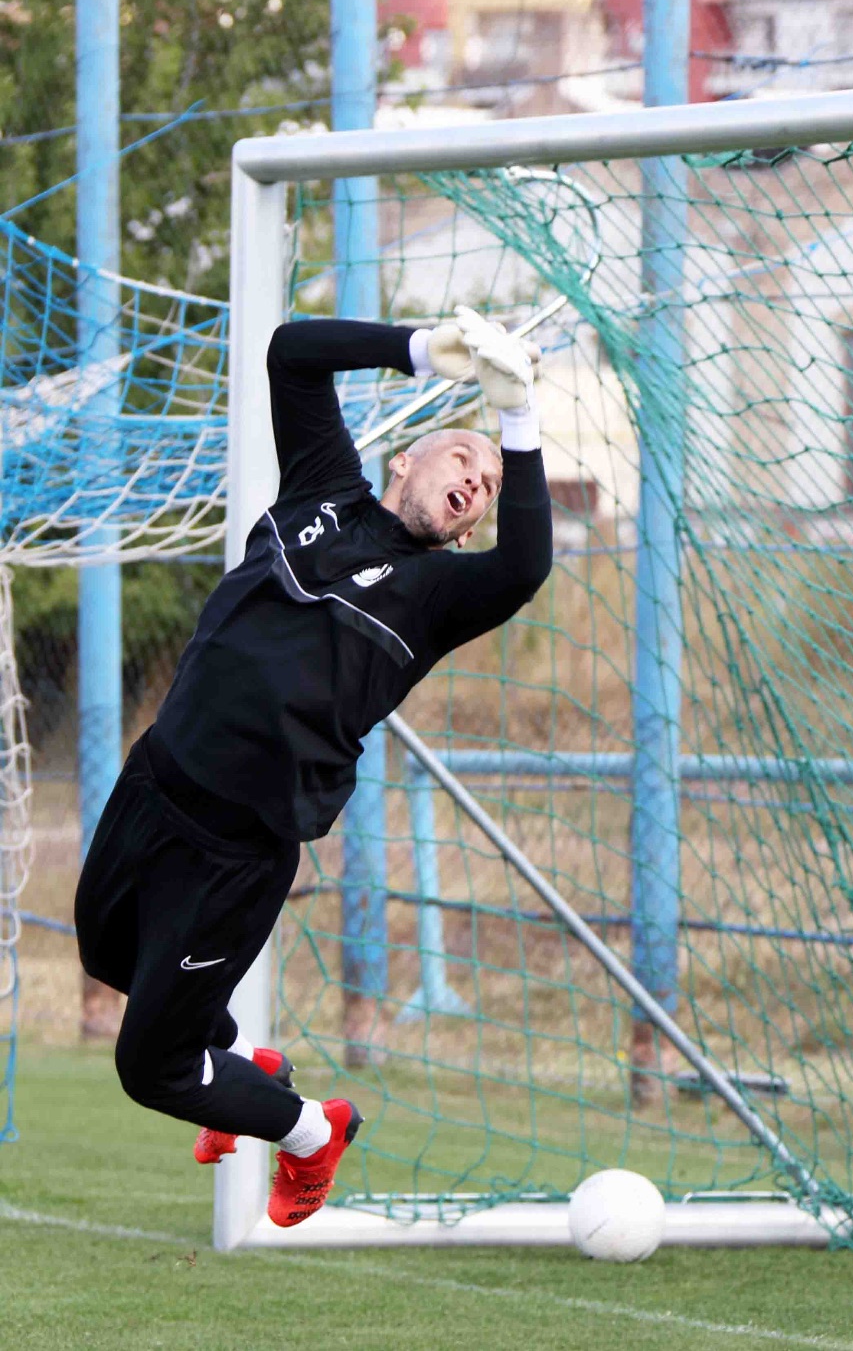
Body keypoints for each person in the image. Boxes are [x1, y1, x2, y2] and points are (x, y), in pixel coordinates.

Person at [74, 308, 552, 1228]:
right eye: (463, 458)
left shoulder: (438, 595)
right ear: (404, 459)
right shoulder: (323, 489)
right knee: (107, 954)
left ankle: (309, 1130)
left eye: (488, 486)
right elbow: (291, 353)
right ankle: (245, 1071)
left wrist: (516, 418)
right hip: (154, 783)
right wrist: (423, 350)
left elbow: (526, 564)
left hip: (232, 852)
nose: (475, 481)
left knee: (151, 1068)